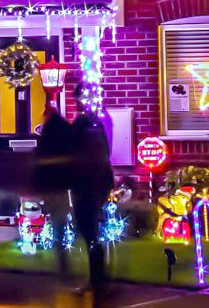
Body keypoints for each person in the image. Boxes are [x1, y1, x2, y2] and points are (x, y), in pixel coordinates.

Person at [69, 83, 114, 307]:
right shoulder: (99, 120)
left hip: (88, 186)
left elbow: (87, 157)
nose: (77, 102)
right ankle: (97, 278)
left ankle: (98, 281)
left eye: (79, 98)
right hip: (96, 184)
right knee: (91, 232)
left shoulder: (88, 123)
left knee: (90, 232)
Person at [35, 103, 75, 282]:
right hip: (66, 185)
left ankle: (63, 267)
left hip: (53, 187)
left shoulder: (48, 135)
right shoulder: (66, 130)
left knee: (58, 225)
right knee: (63, 222)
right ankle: (66, 266)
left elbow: (41, 160)